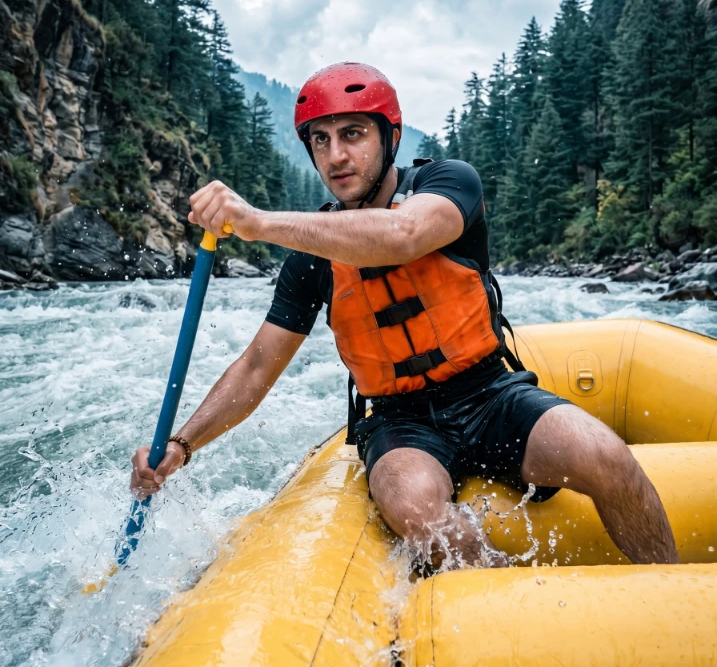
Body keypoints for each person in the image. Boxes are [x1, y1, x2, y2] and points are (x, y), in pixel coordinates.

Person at [130, 62, 678, 568]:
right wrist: (181, 445)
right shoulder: (309, 258)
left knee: (606, 455)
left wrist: (259, 223)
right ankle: (509, 605)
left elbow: (403, 234)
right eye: (320, 141)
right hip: (399, 421)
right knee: (416, 510)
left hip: (491, 394)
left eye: (352, 134)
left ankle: (676, 602)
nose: (336, 156)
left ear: (389, 137)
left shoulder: (449, 183)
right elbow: (256, 367)